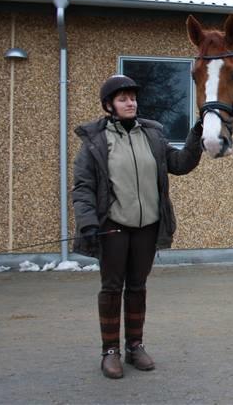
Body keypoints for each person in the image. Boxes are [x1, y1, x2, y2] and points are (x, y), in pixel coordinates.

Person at [72, 75, 203, 379]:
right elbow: (82, 187)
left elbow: (181, 163)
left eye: (132, 97)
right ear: (109, 105)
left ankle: (135, 347)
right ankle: (110, 352)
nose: (130, 102)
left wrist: (196, 134)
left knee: (137, 287)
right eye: (122, 98)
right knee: (111, 288)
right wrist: (88, 221)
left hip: (148, 226)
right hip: (113, 226)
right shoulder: (95, 141)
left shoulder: (153, 135)